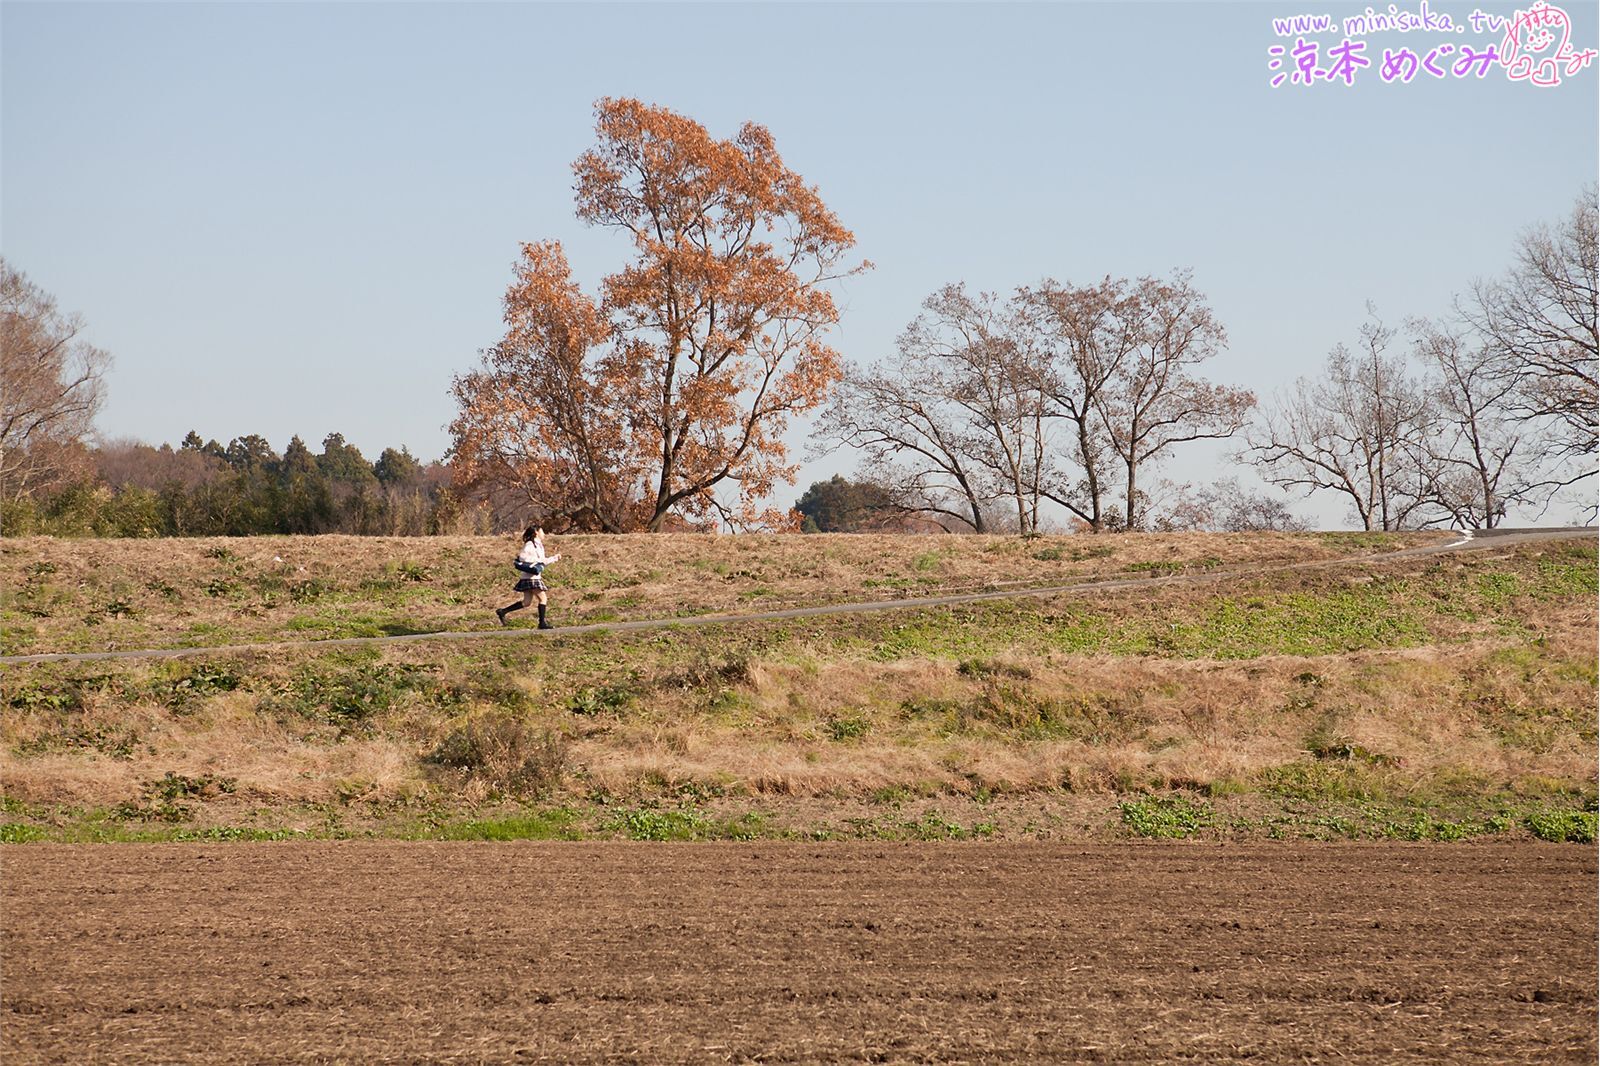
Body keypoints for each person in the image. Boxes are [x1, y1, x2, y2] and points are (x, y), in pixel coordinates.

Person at [496, 524, 561, 629]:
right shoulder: (530, 544)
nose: (544, 534)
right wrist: (550, 558)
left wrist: (553, 559)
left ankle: (503, 611)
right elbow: (522, 557)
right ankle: (542, 623)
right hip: (531, 578)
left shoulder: (538, 545)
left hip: (528, 577)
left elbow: (542, 562)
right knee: (543, 598)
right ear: (536, 533)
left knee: (526, 602)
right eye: (542, 531)